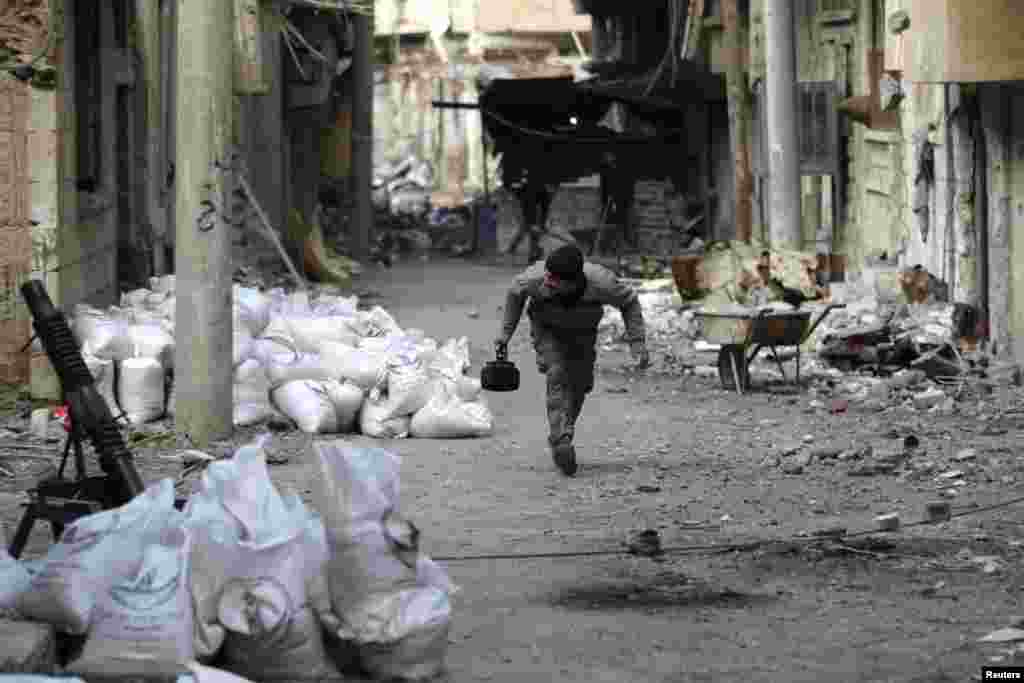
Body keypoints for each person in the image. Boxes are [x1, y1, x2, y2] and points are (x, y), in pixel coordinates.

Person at [495, 244, 649, 477]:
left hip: (582, 333)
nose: (547, 282)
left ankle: (563, 431)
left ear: (573, 281)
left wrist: (637, 342)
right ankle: (561, 439)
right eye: (548, 276)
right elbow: (515, 295)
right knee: (557, 372)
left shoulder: (602, 282)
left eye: (555, 280)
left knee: (579, 384)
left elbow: (629, 301)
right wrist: (505, 334)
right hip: (547, 330)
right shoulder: (534, 278)